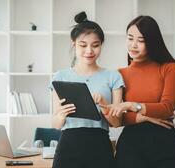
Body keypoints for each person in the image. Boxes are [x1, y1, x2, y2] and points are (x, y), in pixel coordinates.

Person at [107, 15, 175, 168]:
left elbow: (167, 107)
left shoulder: (170, 68)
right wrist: (145, 117)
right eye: (130, 38)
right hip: (131, 146)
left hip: (164, 144)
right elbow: (117, 119)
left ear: (152, 42)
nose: (133, 45)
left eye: (141, 41)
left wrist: (131, 105)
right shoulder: (120, 74)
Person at [50, 11, 124, 168]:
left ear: (101, 45)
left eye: (95, 45)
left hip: (100, 147)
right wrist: (61, 115)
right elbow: (56, 124)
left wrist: (105, 106)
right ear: (74, 44)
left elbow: (117, 123)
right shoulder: (60, 76)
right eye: (83, 45)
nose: (89, 51)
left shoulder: (113, 77)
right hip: (68, 147)